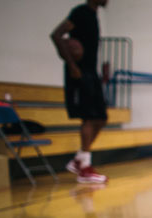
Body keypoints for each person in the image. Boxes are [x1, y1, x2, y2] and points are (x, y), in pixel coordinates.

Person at [51, 0, 110, 184]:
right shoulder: (80, 12)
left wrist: (101, 77)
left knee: (101, 118)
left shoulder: (93, 15)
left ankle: (79, 159)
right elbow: (56, 35)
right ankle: (85, 167)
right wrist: (72, 65)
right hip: (79, 73)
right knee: (89, 117)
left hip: (91, 73)